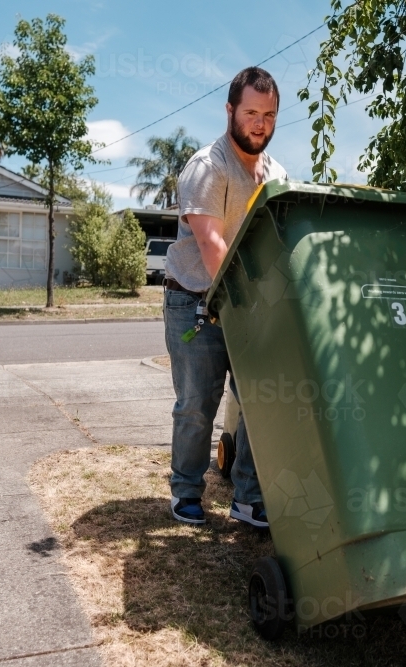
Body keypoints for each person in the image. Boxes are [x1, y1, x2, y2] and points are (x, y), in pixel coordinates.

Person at [164, 66, 287, 527]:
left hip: (250, 302)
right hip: (196, 301)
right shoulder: (208, 168)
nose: (260, 123)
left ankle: (248, 497)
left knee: (260, 398)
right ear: (230, 110)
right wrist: (251, 306)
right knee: (198, 403)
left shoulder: (276, 174)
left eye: (269, 115)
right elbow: (214, 249)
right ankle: (186, 490)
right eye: (251, 112)